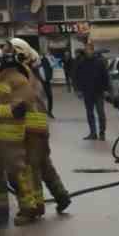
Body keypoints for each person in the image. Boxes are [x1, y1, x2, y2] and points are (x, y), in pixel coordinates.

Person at [0, 52, 38, 226]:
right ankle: (2, 211)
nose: (0, 70)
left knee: (18, 173)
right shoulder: (1, 76)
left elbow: (20, 109)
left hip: (12, 136)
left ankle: (28, 209)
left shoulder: (20, 81)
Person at [24, 63, 71, 216]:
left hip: (31, 131)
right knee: (45, 165)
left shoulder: (23, 78)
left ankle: (37, 206)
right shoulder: (33, 78)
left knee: (33, 169)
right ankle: (61, 196)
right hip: (40, 130)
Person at [75, 41, 109, 141]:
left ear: (93, 51)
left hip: (98, 92)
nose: (88, 51)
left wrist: (106, 89)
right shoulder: (81, 63)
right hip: (87, 92)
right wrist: (78, 89)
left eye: (89, 50)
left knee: (100, 113)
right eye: (86, 50)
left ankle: (102, 133)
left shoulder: (99, 62)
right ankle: (93, 133)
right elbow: (77, 76)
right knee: (90, 113)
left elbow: (105, 76)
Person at [39, 49, 55, 118]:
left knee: (49, 96)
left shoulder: (49, 59)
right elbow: (39, 69)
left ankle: (49, 112)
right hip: (41, 81)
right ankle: (44, 112)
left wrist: (51, 59)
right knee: (42, 97)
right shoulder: (41, 60)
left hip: (46, 80)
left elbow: (52, 66)